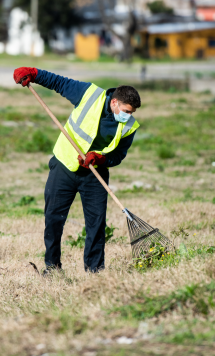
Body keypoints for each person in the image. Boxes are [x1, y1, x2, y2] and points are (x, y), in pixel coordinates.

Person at [13, 67, 141, 274]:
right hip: (64, 166)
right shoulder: (89, 94)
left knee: (97, 225)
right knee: (53, 219)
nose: (128, 116)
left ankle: (95, 271)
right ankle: (52, 268)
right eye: (126, 111)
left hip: (95, 174)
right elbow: (59, 83)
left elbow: (118, 156)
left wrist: (101, 158)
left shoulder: (129, 127)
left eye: (131, 113)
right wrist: (34, 74)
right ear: (115, 102)